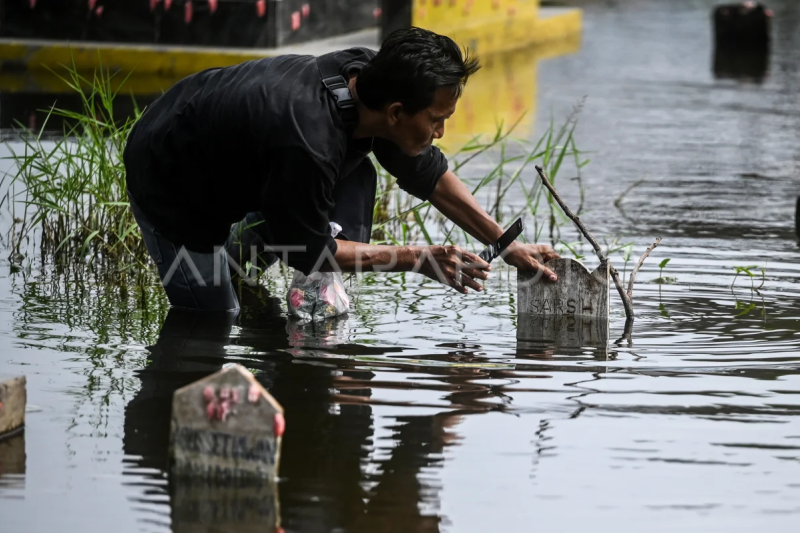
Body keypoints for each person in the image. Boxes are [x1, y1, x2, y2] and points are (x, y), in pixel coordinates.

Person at [123, 27, 559, 312]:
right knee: (214, 320)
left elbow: (428, 176)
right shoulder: (308, 144)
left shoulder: (368, 76)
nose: (441, 132)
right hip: (169, 179)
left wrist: (504, 245)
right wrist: (417, 258)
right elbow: (315, 249)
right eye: (435, 119)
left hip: (234, 151)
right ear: (395, 112)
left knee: (356, 170)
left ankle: (288, 273)